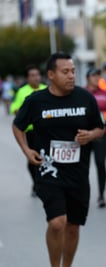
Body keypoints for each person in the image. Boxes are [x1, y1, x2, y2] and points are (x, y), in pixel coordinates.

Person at [12, 52, 104, 267]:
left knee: (73, 226)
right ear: (51, 75)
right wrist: (26, 150)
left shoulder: (85, 98)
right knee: (57, 223)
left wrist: (90, 136)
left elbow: (100, 128)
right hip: (49, 172)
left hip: (78, 174)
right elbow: (18, 126)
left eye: (73, 71)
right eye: (65, 72)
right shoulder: (36, 101)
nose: (71, 76)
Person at [10, 65, 48, 197]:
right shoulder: (22, 91)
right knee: (33, 158)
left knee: (48, 158)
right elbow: (15, 106)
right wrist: (17, 111)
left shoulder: (46, 89)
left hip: (46, 130)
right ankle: (36, 183)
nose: (35, 78)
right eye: (32, 75)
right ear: (27, 78)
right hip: (31, 131)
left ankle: (46, 183)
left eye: (37, 75)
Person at [85, 67, 106, 208]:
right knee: (83, 166)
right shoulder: (82, 93)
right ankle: (82, 195)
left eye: (98, 76)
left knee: (100, 163)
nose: (97, 78)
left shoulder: (104, 93)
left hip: (101, 133)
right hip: (84, 134)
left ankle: (101, 195)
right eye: (94, 76)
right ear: (88, 78)